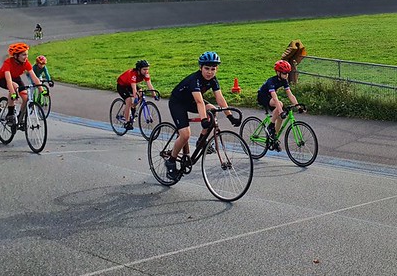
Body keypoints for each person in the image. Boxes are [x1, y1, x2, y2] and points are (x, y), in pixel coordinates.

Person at [164, 51, 240, 180]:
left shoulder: (213, 80)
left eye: (213, 69)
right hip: (178, 103)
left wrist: (230, 116)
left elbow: (220, 98)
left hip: (191, 101)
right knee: (185, 134)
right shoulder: (195, 80)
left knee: (213, 109)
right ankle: (171, 161)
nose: (210, 72)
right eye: (206, 68)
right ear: (200, 68)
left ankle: (201, 140)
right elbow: (199, 101)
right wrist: (204, 119)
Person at [256, 59, 302, 151]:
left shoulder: (284, 81)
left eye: (287, 73)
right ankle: (271, 126)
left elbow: (290, 95)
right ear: (278, 72)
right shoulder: (271, 81)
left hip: (271, 98)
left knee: (281, 117)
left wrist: (298, 106)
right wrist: (280, 110)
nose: (286, 75)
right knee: (280, 104)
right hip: (263, 97)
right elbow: (275, 98)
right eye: (284, 73)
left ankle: (274, 139)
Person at [0, 42, 42, 125]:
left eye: (27, 54)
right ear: (16, 56)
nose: (26, 57)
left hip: (16, 78)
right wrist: (13, 93)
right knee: (14, 86)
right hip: (2, 79)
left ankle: (20, 117)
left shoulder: (26, 63)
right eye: (23, 55)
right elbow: (9, 80)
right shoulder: (8, 63)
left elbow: (34, 77)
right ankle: (10, 114)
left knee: (26, 98)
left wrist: (41, 90)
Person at [115, 60, 156, 130]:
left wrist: (154, 95)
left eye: (147, 69)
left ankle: (132, 107)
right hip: (122, 85)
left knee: (141, 93)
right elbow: (134, 89)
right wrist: (135, 97)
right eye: (144, 69)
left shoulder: (145, 74)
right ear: (139, 69)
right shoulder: (133, 74)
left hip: (130, 84)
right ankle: (127, 122)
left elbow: (149, 85)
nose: (146, 71)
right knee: (129, 100)